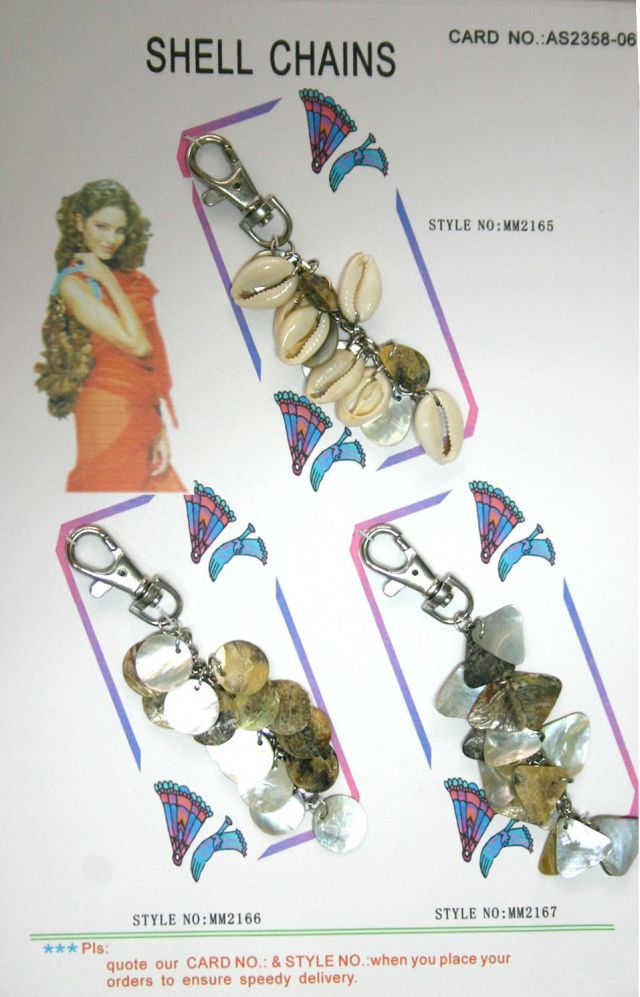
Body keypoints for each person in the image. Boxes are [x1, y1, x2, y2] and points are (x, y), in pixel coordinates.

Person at [51, 179, 184, 491]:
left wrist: (158, 426)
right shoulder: (72, 284)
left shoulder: (125, 278)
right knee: (113, 487)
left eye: (120, 230)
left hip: (141, 404)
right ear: (79, 222)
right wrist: (107, 280)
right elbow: (138, 346)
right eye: (102, 226)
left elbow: (149, 362)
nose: (111, 239)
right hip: (106, 406)